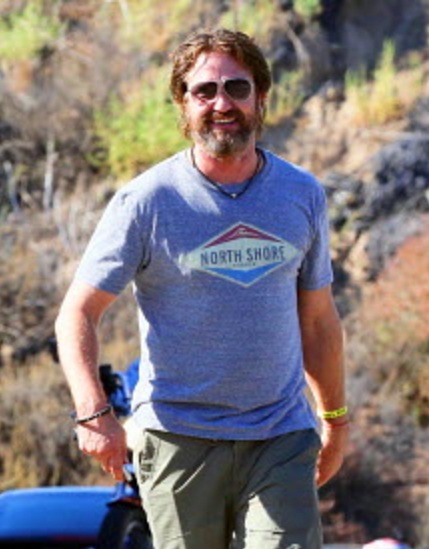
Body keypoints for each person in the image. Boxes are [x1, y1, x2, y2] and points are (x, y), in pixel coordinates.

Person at [56, 28, 348, 549]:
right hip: (178, 439)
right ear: (183, 104)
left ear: (261, 97)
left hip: (280, 436)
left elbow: (319, 321)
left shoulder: (301, 194)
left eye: (237, 88)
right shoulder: (146, 202)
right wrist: (94, 414)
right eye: (205, 91)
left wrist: (336, 420)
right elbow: (77, 313)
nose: (222, 104)